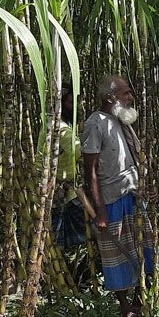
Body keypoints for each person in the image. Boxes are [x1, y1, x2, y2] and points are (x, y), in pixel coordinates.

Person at [83, 76, 159, 317]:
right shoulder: (95, 124)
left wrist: (147, 186)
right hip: (112, 198)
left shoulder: (122, 120)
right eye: (126, 93)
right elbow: (91, 172)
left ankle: (141, 298)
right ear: (110, 98)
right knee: (116, 254)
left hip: (134, 193)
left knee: (143, 247)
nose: (131, 97)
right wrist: (100, 210)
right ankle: (125, 306)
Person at [51, 86, 88, 250]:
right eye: (70, 102)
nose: (75, 107)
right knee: (55, 232)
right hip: (53, 189)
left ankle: (72, 258)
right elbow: (78, 150)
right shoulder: (58, 127)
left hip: (68, 187)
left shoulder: (65, 125)